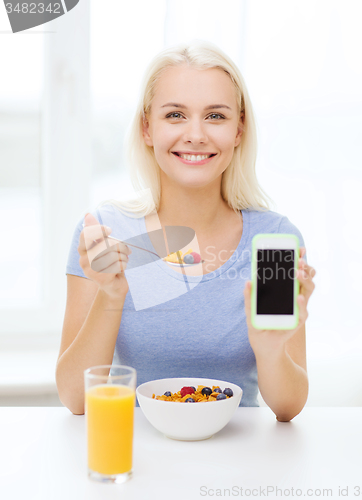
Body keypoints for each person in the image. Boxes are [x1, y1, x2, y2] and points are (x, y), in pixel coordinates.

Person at [56, 40, 316, 421]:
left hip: (241, 463)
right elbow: (75, 398)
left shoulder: (274, 239)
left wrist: (271, 350)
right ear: (147, 128)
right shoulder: (108, 233)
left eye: (215, 116)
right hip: (137, 455)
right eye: (175, 115)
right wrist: (111, 295)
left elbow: (288, 408)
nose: (195, 134)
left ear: (239, 130)